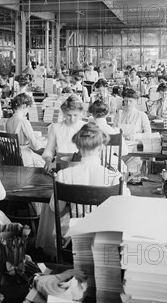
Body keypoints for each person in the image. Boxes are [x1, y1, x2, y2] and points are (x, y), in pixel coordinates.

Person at [36, 123, 128, 258]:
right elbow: (123, 208)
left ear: (78, 147)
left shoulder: (63, 175)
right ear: (102, 147)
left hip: (73, 233)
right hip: (103, 234)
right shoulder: (115, 177)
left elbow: (56, 208)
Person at [43, 95, 87, 173]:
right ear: (64, 113)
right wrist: (48, 160)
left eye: (75, 115)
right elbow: (49, 150)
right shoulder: (56, 127)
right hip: (61, 165)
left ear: (81, 113)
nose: (72, 119)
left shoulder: (85, 127)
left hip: (81, 165)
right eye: (69, 115)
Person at [4, 93, 46, 167]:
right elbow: (35, 146)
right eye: (28, 107)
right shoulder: (23, 121)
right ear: (24, 106)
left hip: (11, 156)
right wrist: (44, 142)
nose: (27, 110)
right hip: (23, 157)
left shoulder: (8, 121)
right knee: (47, 165)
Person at [89, 99, 125, 171]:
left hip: (90, 165)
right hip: (109, 166)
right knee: (124, 168)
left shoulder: (86, 129)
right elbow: (123, 152)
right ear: (107, 113)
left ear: (92, 113)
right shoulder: (112, 131)